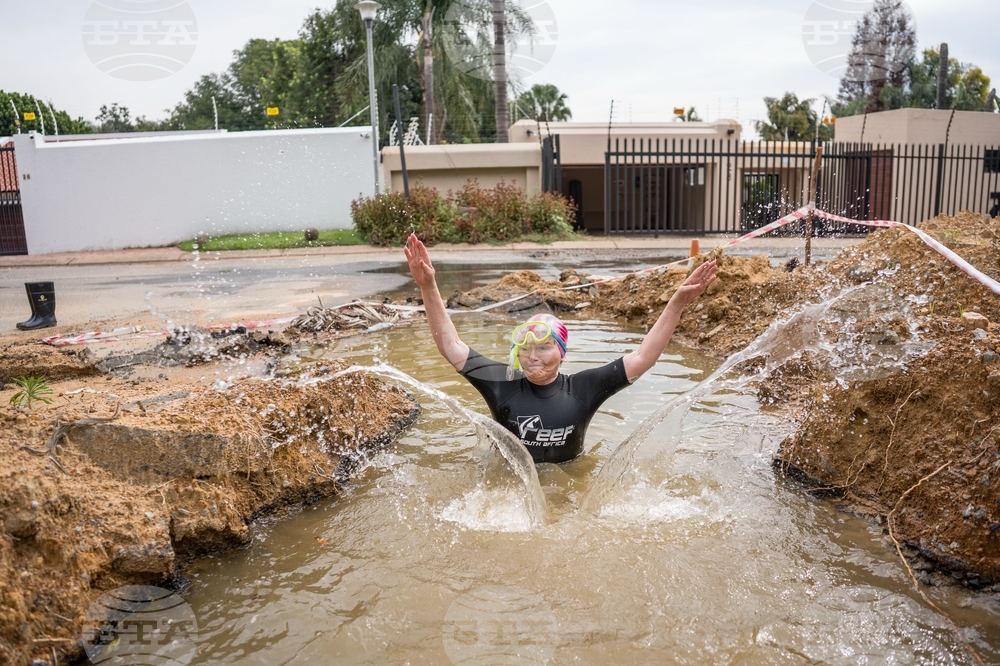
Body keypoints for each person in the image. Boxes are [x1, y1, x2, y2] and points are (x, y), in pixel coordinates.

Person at [404, 233, 718, 464]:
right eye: (524, 348)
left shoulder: (584, 388)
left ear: (562, 352)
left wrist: (676, 303)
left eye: (543, 348)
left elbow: (643, 357)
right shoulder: (502, 382)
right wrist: (428, 286)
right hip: (509, 484)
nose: (531, 356)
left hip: (569, 477)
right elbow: (451, 346)